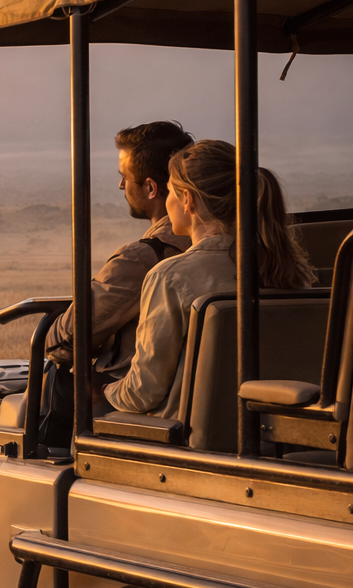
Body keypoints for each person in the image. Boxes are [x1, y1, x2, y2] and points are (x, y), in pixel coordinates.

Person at [104, 140, 314, 417]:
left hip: (190, 432)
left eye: (170, 192)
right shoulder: (294, 272)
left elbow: (144, 392)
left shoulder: (170, 277)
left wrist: (106, 390)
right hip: (275, 426)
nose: (167, 202)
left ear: (188, 199)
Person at [39, 121, 195, 448]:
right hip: (193, 398)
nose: (121, 185)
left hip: (141, 401)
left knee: (58, 378)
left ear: (151, 188)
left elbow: (68, 337)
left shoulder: (144, 258)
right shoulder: (241, 252)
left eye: (125, 176)